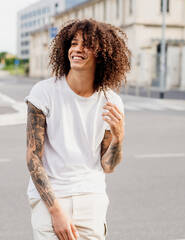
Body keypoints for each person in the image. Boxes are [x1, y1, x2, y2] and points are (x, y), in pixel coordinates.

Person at [25, 19, 131, 240]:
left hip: (91, 196)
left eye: (87, 44)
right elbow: (33, 158)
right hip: (51, 198)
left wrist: (119, 137)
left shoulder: (111, 101)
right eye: (73, 43)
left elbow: (108, 166)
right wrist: (56, 212)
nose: (77, 49)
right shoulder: (43, 93)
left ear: (102, 54)